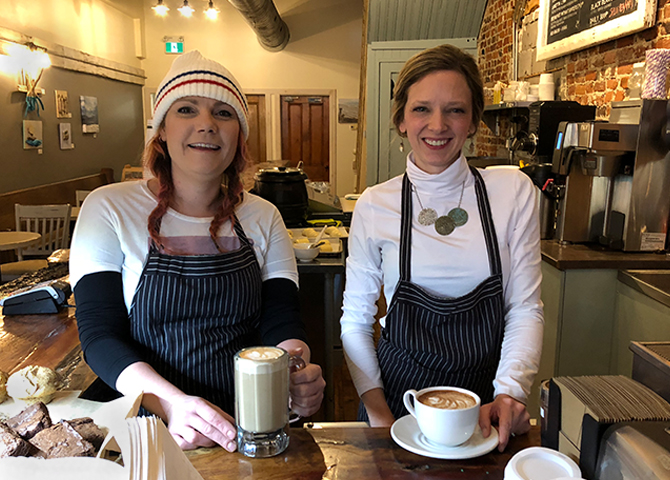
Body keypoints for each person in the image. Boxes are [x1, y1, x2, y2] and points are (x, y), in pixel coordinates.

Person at [69, 50, 325, 452]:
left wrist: (292, 366)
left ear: (238, 137)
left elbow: (281, 318)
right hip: (142, 422)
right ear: (162, 131)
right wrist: (173, 405)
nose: (206, 124)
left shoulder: (263, 216)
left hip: (244, 420)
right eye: (187, 109)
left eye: (223, 113)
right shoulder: (109, 208)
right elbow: (100, 336)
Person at [340, 44, 543, 451]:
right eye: (421, 109)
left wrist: (510, 393)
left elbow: (524, 308)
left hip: (484, 408)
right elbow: (356, 322)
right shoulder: (375, 205)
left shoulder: (512, 193)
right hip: (397, 402)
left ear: (472, 121)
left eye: (455, 109)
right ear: (400, 120)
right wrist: (378, 411)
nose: (438, 124)